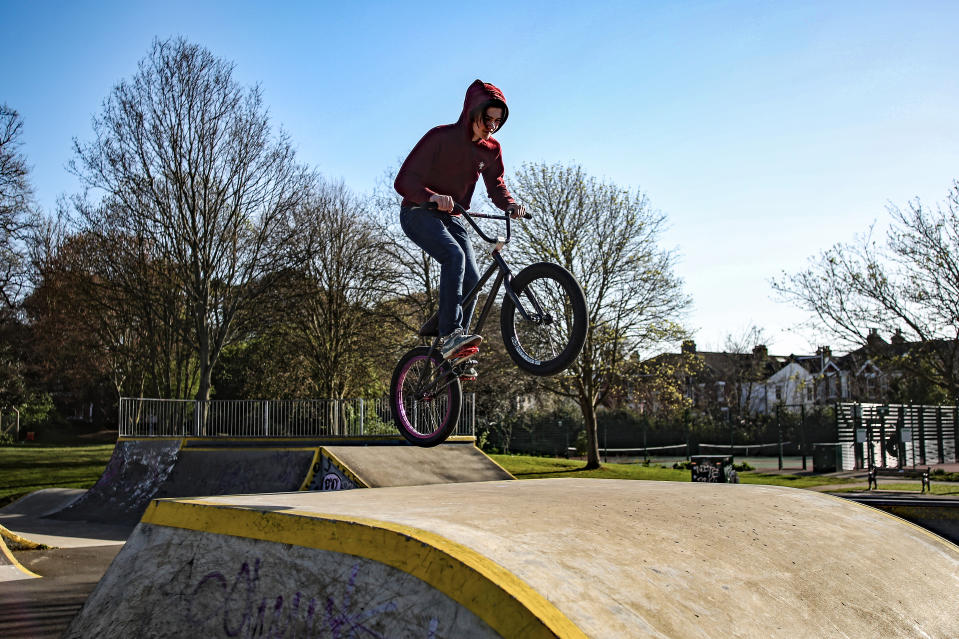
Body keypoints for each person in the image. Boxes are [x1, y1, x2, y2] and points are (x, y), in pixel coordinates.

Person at [394, 79, 526, 361]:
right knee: (454, 257)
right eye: (487, 118)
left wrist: (511, 204)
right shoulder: (441, 137)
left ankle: (458, 352)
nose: (491, 126)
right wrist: (431, 196)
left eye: (497, 121)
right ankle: (451, 332)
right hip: (418, 212)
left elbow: (496, 185)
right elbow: (404, 181)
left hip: (453, 218)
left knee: (474, 279)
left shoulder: (492, 150)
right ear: (472, 112)